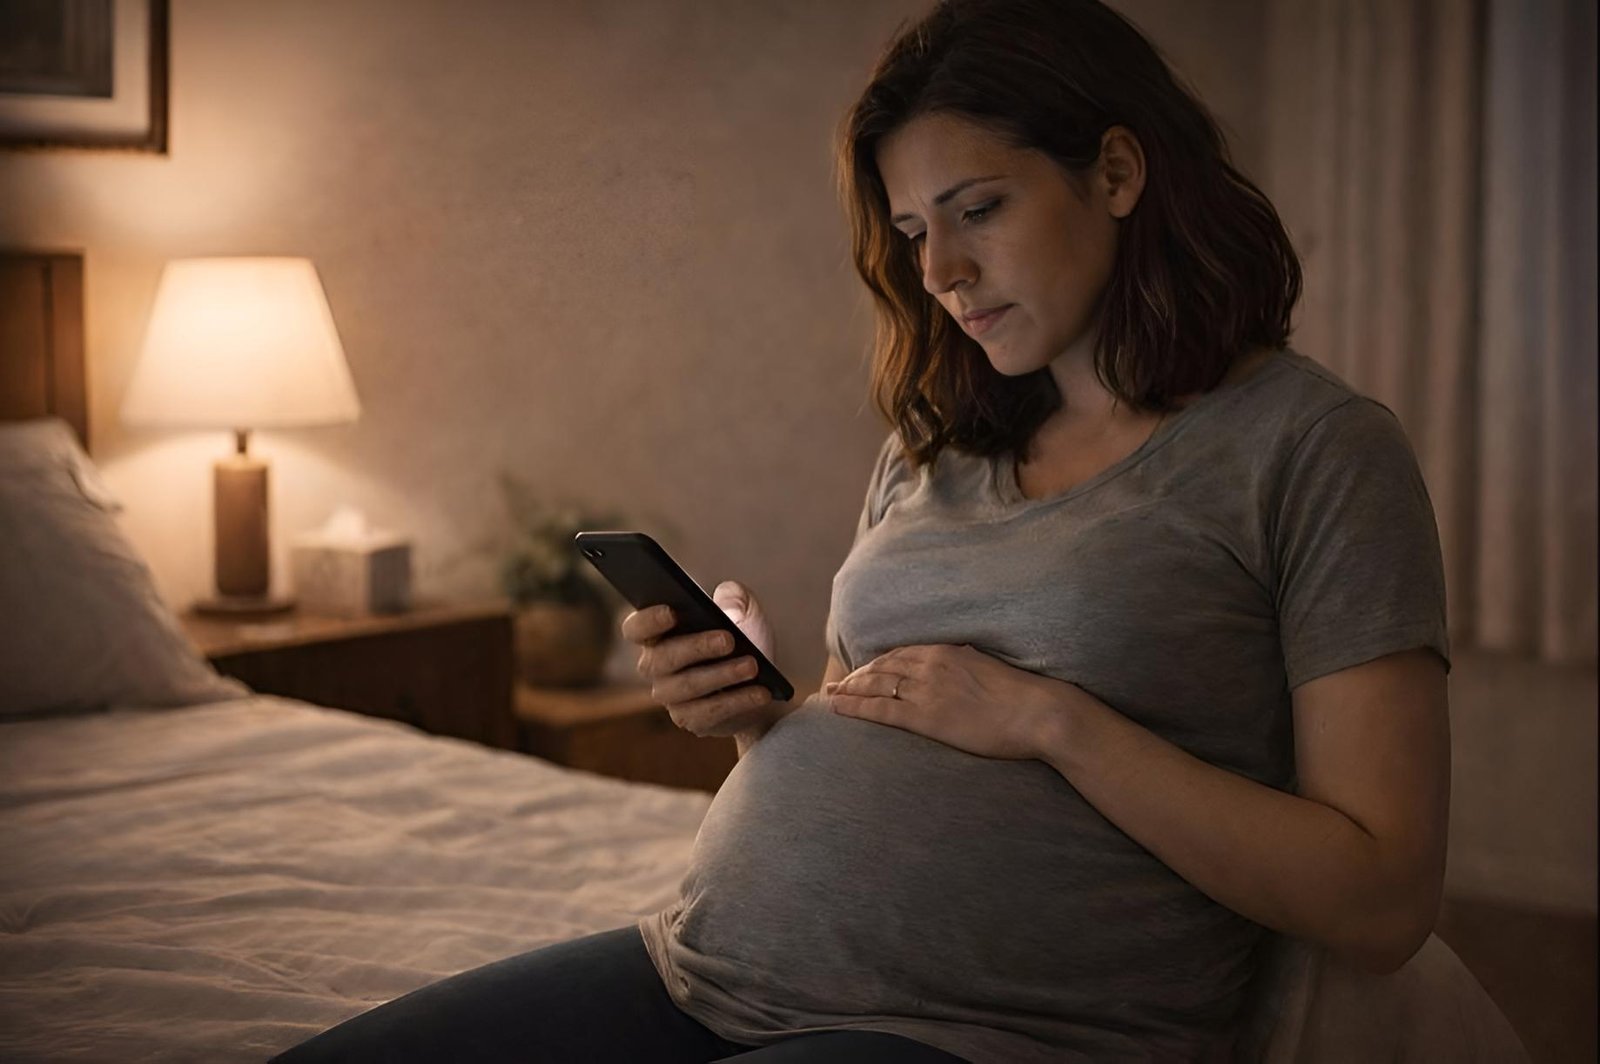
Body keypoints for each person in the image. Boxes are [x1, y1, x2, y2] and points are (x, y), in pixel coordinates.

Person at [274, 0, 1450, 1061]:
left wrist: (1052, 721)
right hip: (695, 969)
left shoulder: (1312, 448)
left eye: (978, 209)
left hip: (979, 1033)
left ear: (1116, 171)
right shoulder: (935, 446)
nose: (940, 270)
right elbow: (880, 721)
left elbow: (1381, 898)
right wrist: (754, 718)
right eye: (912, 230)